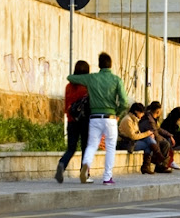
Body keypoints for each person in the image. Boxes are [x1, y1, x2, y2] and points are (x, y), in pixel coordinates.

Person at [67, 52, 127, 185]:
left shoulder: (92, 78)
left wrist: (83, 77)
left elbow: (70, 77)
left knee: (92, 145)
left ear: (99, 65)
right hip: (110, 117)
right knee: (110, 147)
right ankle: (107, 177)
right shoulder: (116, 80)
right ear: (110, 65)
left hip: (94, 117)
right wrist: (117, 113)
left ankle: (86, 164)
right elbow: (124, 102)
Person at [56, 60, 91, 184]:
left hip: (71, 120)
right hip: (85, 121)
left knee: (71, 148)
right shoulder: (86, 87)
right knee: (86, 147)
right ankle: (84, 173)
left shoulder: (68, 86)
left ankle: (62, 163)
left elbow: (67, 105)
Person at [118, 102, 162, 175]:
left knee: (149, 140)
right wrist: (147, 133)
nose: (142, 115)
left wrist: (148, 134)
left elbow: (138, 134)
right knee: (149, 143)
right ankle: (156, 157)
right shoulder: (128, 120)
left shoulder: (134, 120)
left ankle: (152, 161)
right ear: (136, 111)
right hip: (127, 143)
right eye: (141, 113)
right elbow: (133, 136)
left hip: (133, 142)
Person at [139, 101, 174, 173]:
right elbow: (156, 134)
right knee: (165, 143)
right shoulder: (149, 120)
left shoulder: (152, 118)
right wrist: (164, 138)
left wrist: (169, 135)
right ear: (158, 111)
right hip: (146, 138)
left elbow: (158, 129)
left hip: (152, 137)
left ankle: (160, 164)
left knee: (166, 142)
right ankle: (160, 162)